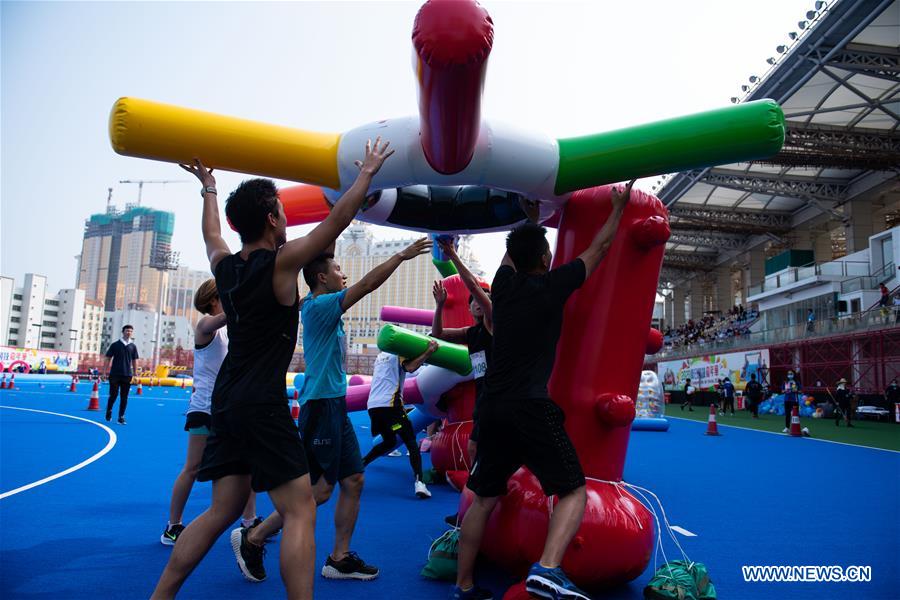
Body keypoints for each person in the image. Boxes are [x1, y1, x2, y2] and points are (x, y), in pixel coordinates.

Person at [150, 137, 395, 600]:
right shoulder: (281, 265)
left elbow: (211, 238)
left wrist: (208, 190)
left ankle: (160, 596)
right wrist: (367, 174)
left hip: (226, 400)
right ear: (271, 219)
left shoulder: (226, 268)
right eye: (281, 210)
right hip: (262, 402)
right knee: (301, 510)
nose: (286, 217)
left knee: (222, 510)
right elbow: (335, 222)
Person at [452, 180, 633, 600]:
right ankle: (549, 569)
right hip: (530, 406)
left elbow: (511, 256)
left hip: (492, 407)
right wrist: (619, 209)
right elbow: (599, 249)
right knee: (572, 490)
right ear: (548, 258)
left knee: (482, 498)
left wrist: (528, 222)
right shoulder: (555, 286)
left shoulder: (503, 287)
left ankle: (463, 585)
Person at [245, 235, 431, 581]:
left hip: (334, 403)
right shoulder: (320, 306)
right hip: (321, 405)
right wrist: (402, 255)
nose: (343, 274)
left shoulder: (318, 305)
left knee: (355, 479)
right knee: (319, 490)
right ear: (322, 278)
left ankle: (339, 557)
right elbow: (367, 284)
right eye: (337, 269)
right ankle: (254, 537)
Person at [160, 279, 260, 546]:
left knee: (247, 465)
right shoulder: (205, 326)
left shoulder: (230, 331)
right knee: (193, 467)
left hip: (230, 409)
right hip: (204, 409)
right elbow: (222, 319)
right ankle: (173, 526)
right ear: (215, 298)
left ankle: (250, 522)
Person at [431, 238, 493, 465]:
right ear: (468, 308)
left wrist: (453, 255)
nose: (478, 302)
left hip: (501, 397)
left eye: (483, 298)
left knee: (488, 449)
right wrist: (439, 306)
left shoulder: (493, 323)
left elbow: (475, 288)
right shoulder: (471, 332)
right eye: (473, 301)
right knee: (474, 448)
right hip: (483, 398)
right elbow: (437, 334)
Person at [362, 344, 438, 498]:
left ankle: (359, 465)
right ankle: (419, 483)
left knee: (390, 442)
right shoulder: (398, 352)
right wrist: (428, 352)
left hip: (373, 408)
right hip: (391, 406)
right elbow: (410, 368)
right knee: (410, 441)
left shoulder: (381, 356)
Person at [104, 324, 139, 425]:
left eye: (131, 331)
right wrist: (104, 372)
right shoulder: (115, 345)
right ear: (123, 332)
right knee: (113, 395)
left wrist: (135, 374)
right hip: (114, 374)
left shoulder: (133, 346)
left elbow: (135, 360)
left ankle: (121, 416)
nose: (129, 333)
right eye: (127, 331)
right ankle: (109, 410)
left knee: (124, 397)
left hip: (127, 375)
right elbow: (108, 358)